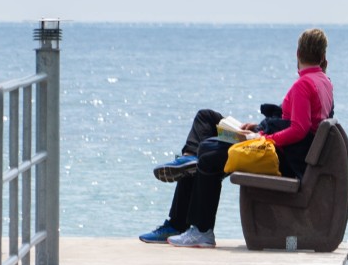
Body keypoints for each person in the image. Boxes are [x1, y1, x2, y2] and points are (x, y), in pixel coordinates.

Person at [139, 28, 335, 248]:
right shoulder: (324, 82)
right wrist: (258, 128)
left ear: (297, 53)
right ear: (323, 57)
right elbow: (299, 124)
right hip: (287, 152)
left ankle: (201, 231)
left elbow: (299, 129)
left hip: (278, 156)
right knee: (206, 118)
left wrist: (262, 138)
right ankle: (188, 160)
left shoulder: (303, 85)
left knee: (209, 153)